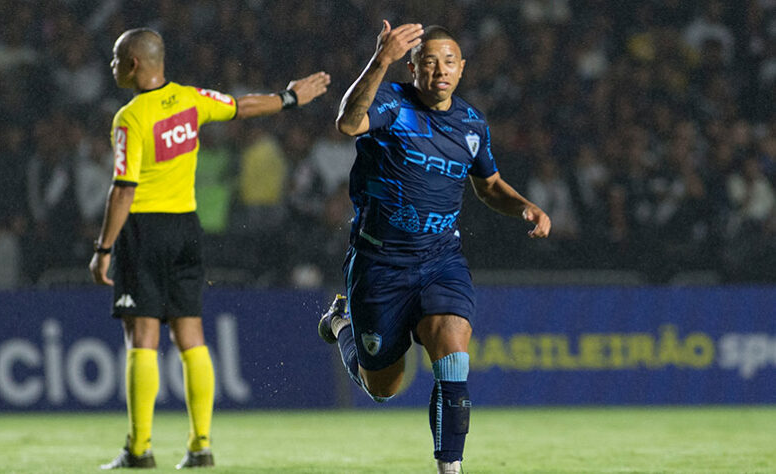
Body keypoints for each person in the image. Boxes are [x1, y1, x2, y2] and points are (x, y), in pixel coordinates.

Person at [89, 28, 329, 470]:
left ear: (134, 65)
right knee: (191, 336)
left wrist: (104, 248)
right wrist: (290, 98)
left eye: (116, 58)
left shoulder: (130, 118)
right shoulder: (190, 99)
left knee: (142, 337)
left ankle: (139, 450)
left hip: (143, 230)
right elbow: (242, 107)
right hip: (186, 228)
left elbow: (123, 190)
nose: (111, 66)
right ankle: (200, 445)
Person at [317, 22, 550, 474]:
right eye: (429, 61)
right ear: (413, 67)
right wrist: (380, 61)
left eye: (448, 61)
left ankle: (450, 469)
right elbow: (347, 123)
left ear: (461, 69)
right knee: (383, 387)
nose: (439, 69)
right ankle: (343, 322)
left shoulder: (471, 123)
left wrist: (525, 206)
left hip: (441, 260)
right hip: (379, 264)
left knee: (453, 356)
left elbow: (489, 186)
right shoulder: (391, 102)